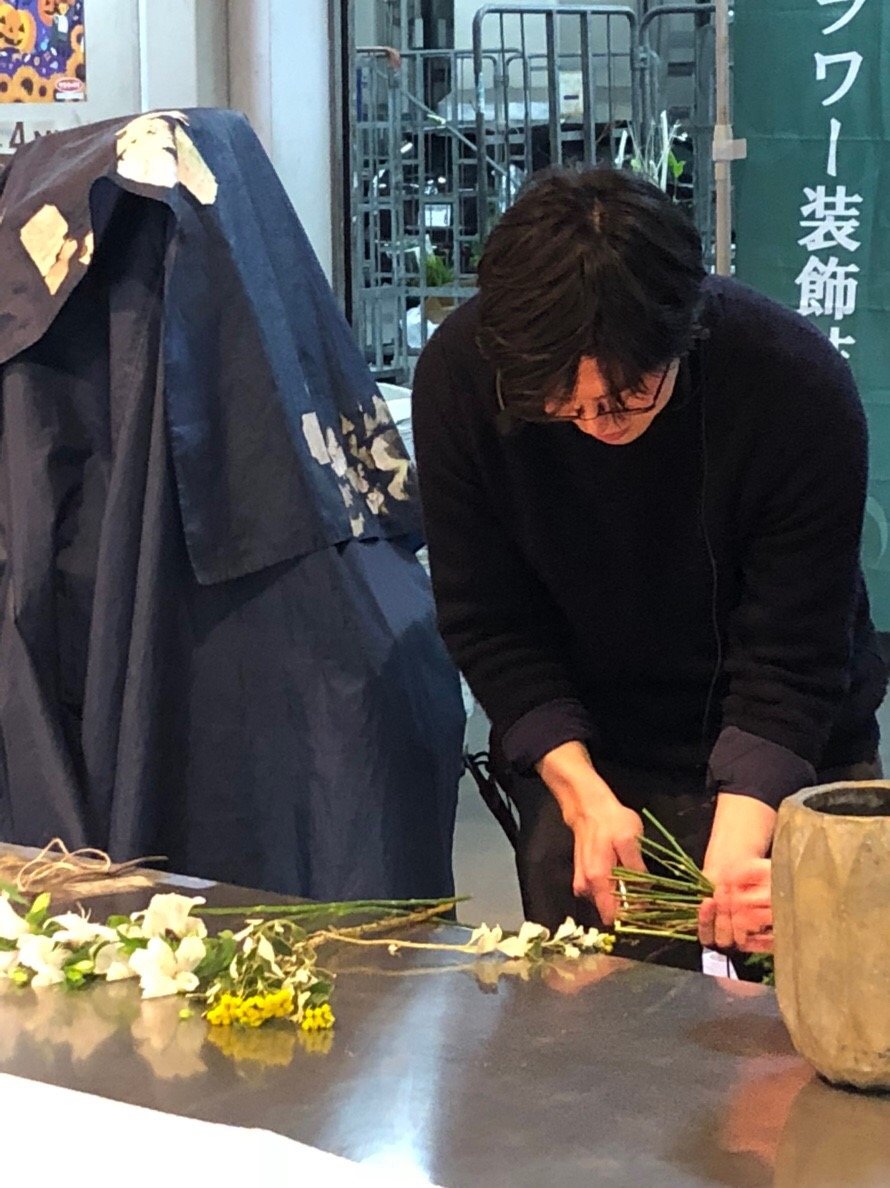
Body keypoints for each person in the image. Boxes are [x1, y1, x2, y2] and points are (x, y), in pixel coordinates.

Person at [412, 166, 886, 969]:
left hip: (794, 742)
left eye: (628, 396)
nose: (596, 423)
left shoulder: (793, 384)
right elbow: (488, 620)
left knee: (816, 996)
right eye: (562, 406)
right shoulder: (463, 377)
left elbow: (792, 656)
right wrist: (580, 794)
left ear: (685, 332)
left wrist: (737, 846)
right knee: (595, 1017)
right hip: (592, 744)